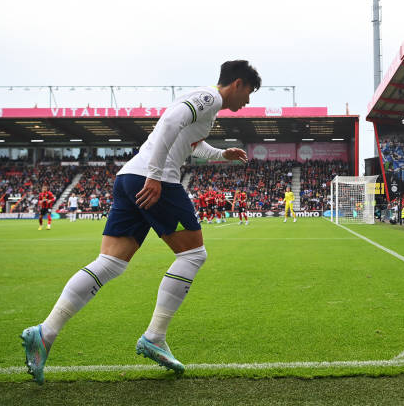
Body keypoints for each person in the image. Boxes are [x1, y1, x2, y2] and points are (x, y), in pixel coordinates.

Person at [20, 60, 261, 384]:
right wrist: (156, 175)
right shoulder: (212, 97)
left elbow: (189, 143)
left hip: (129, 177)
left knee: (109, 263)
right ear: (238, 83)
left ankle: (44, 333)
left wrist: (221, 154)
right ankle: (155, 336)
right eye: (249, 93)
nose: (247, 102)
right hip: (151, 179)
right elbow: (169, 123)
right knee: (193, 255)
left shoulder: (206, 107)